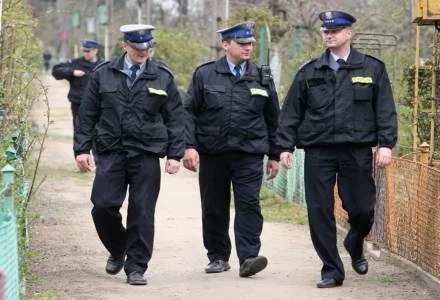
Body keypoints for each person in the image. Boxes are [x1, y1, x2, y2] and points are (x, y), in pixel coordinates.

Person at [277, 11, 398, 288]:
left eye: (335, 30)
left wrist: (386, 144)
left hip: (356, 150)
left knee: (363, 209)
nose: (329, 35)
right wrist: (283, 146)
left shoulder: (371, 68)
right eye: (325, 31)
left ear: (349, 34)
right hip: (318, 150)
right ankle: (331, 269)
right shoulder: (309, 71)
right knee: (319, 209)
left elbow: (385, 109)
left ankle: (355, 242)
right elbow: (291, 112)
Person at [74, 24, 184, 285]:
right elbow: (87, 114)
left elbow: (176, 118)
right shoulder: (103, 74)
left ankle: (136, 267)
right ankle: (118, 246)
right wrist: (81, 149)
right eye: (137, 48)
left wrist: (175, 154)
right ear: (124, 46)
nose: (142, 53)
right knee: (102, 205)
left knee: (142, 211)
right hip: (111, 150)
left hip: (146, 153)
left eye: (146, 48)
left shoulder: (162, 76)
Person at [183, 21, 280, 278]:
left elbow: (273, 118)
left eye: (250, 44)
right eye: (242, 43)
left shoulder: (262, 76)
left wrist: (274, 154)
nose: (247, 48)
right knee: (214, 206)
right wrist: (189, 146)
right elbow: (188, 113)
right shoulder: (205, 74)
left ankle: (249, 257)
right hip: (213, 153)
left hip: (249, 153)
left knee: (249, 204)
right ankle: (217, 256)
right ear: (226, 45)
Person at [52, 40, 103, 150]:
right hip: (79, 104)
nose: (85, 53)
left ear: (95, 51)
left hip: (99, 105)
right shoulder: (76, 63)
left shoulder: (103, 65)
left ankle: (98, 160)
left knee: (99, 132)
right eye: (84, 51)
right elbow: (56, 71)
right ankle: (80, 155)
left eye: (88, 51)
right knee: (80, 130)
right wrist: (72, 72)